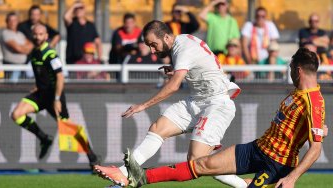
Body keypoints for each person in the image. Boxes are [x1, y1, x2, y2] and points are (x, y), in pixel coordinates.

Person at [124, 47, 327, 188]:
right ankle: (142, 176)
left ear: (298, 70)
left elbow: (316, 149)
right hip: (257, 148)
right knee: (204, 164)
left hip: (277, 164)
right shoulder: (297, 92)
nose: (290, 72)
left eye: (291, 69)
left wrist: (291, 178)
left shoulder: (313, 101)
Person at [94, 20, 247, 188]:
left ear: (166, 37)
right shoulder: (180, 44)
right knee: (157, 128)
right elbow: (201, 64)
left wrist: (143, 106)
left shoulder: (183, 48)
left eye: (154, 44)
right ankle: (123, 173)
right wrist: (177, 70)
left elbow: (174, 86)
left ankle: (245, 186)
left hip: (216, 104)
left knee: (197, 161)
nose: (152, 50)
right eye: (149, 46)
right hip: (197, 101)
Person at [10, 24, 100, 168]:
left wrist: (57, 99)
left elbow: (60, 77)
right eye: (35, 34)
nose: (38, 37)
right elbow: (41, 74)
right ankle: (44, 138)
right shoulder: (34, 52)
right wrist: (38, 85)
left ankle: (92, 156)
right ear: (32, 35)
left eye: (41, 34)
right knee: (16, 114)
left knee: (70, 128)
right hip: (40, 94)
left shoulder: (50, 54)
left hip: (53, 97)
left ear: (46, 36)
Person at [0, 12, 33, 82]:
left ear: (17, 21)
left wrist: (22, 47)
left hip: (23, 67)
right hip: (11, 67)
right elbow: (18, 49)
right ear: (7, 22)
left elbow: (31, 45)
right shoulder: (5, 33)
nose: (13, 23)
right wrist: (24, 48)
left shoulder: (20, 34)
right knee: (11, 90)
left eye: (14, 20)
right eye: (10, 20)